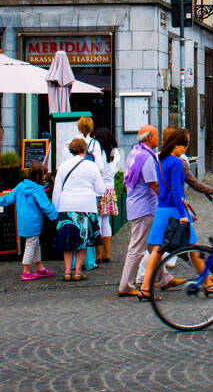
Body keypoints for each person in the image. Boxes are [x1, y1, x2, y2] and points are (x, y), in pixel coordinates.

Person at [139, 128, 213, 299]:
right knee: (194, 248)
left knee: (157, 250)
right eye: (184, 145)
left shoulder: (161, 160)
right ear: (176, 145)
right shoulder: (176, 162)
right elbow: (177, 190)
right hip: (175, 210)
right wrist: (182, 214)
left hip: (162, 209)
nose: (185, 149)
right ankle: (208, 284)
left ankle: (145, 288)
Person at [118, 125, 171, 298]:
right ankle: (125, 285)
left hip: (136, 204)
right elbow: (153, 183)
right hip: (145, 207)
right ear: (150, 139)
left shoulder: (134, 153)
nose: (158, 139)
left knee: (155, 245)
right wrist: (167, 198)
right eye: (156, 136)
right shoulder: (147, 157)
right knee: (137, 248)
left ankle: (164, 278)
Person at [51, 137, 106, 280]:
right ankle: (77, 272)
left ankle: (67, 272)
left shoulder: (63, 166)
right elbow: (101, 189)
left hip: (67, 205)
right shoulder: (91, 166)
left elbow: (57, 189)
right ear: (84, 149)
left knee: (67, 241)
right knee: (83, 241)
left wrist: (57, 208)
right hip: (86, 206)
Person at [0, 162, 58, 281]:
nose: (45, 177)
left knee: (35, 244)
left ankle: (40, 268)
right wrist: (56, 217)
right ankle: (26, 271)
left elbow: (9, 199)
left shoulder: (20, 186)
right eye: (44, 174)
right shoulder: (38, 190)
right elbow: (46, 206)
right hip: (34, 222)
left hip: (22, 222)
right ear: (39, 175)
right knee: (30, 246)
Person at [94, 127, 122, 263]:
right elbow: (116, 169)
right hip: (110, 188)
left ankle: (97, 255)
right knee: (106, 221)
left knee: (98, 220)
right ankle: (106, 253)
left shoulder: (97, 152)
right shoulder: (115, 152)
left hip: (98, 188)